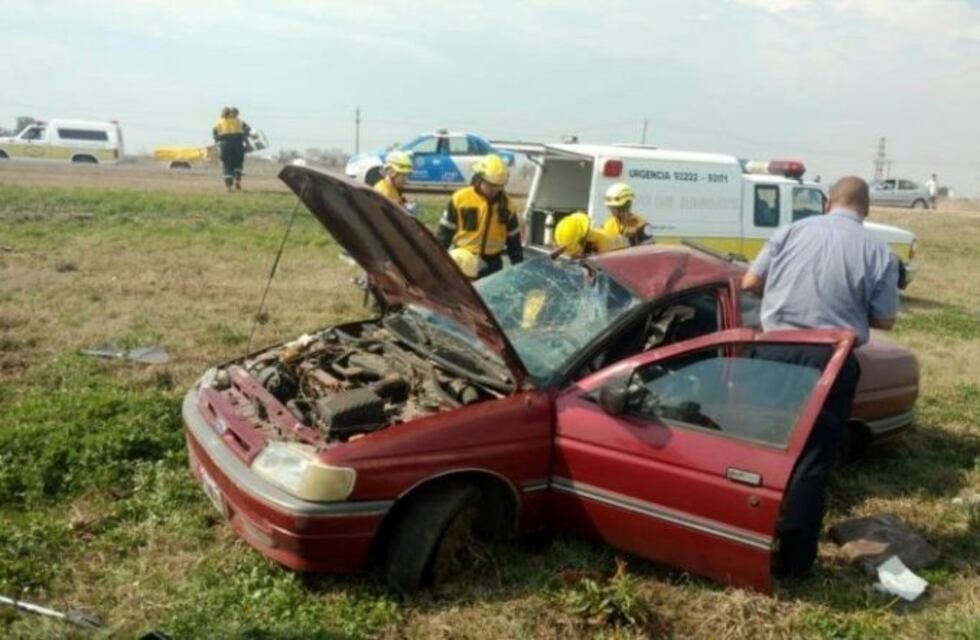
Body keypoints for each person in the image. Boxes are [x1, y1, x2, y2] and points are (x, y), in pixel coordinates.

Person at [741, 175, 899, 578]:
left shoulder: (789, 231)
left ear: (828, 202)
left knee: (760, 447)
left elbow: (750, 282)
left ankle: (742, 541)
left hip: (773, 352)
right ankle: (793, 563)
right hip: (830, 360)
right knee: (812, 458)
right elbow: (885, 319)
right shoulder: (878, 252)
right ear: (866, 208)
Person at [437, 154, 523, 278]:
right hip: (463, 260)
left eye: (499, 186)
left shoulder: (507, 206)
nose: (495, 189)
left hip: (492, 264)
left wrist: (519, 269)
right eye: (491, 184)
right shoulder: (460, 199)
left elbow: (514, 242)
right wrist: (436, 261)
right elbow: (444, 234)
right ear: (479, 179)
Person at [555, 212, 625, 257]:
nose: (574, 255)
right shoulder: (586, 237)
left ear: (582, 241)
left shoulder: (604, 245)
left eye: (574, 253)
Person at [212, 107, 250, 192]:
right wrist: (244, 137)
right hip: (238, 144)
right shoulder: (239, 121)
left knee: (227, 166)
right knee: (238, 163)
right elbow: (248, 129)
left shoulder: (219, 121)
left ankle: (229, 187)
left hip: (225, 145)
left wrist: (218, 140)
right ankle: (237, 180)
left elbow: (214, 134)